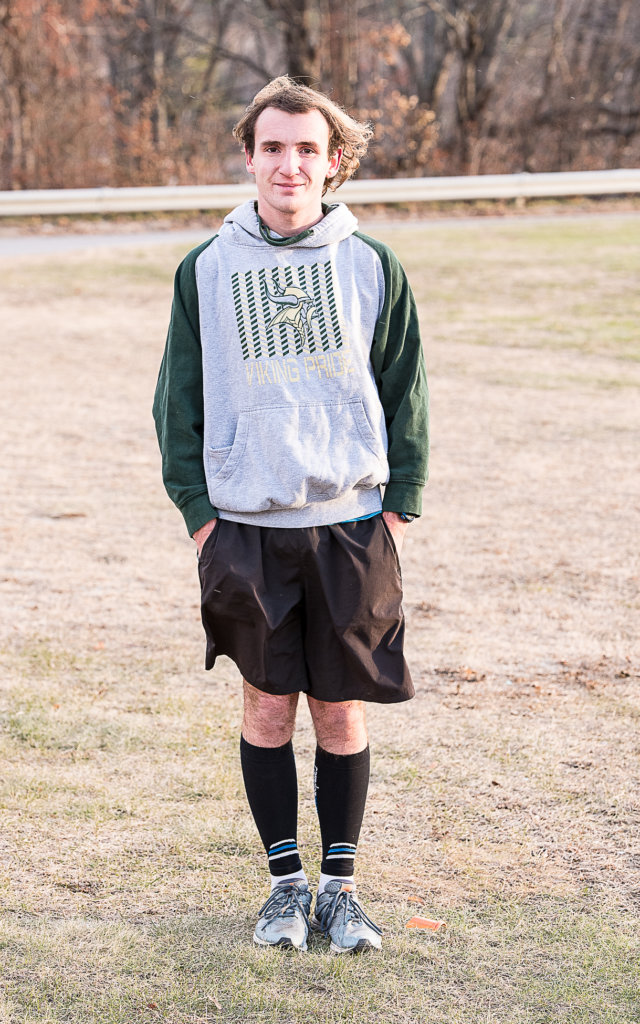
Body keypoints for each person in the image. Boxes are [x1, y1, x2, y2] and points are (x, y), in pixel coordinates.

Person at [153, 75, 429, 954]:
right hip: (246, 530)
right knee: (268, 709)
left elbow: (407, 391)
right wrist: (203, 518)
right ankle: (283, 889)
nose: (289, 164)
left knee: (340, 710)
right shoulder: (206, 269)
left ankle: (340, 892)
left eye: (307, 148)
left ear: (334, 160)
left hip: (352, 527)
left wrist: (397, 510)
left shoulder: (371, 264)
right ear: (249, 155)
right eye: (272, 146)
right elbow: (177, 402)